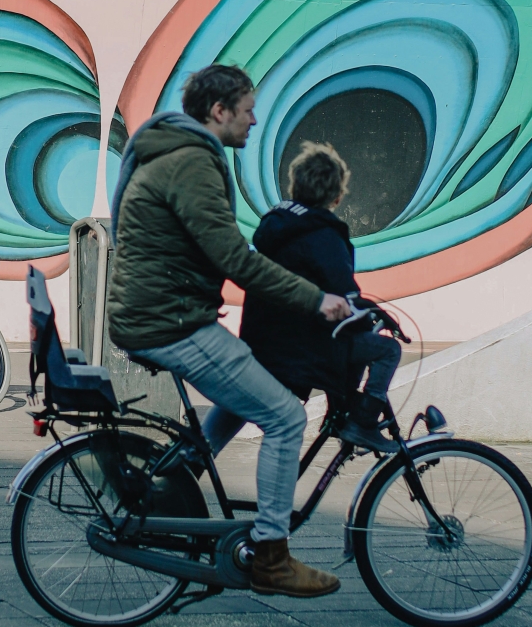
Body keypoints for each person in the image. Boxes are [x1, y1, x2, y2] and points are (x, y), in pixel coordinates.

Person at [106, 65, 350, 598]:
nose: (254, 119)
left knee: (246, 393)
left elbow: (195, 248)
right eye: (247, 110)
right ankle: (271, 556)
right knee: (285, 417)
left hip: (165, 313)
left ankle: (174, 481)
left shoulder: (177, 152)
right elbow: (234, 257)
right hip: (166, 322)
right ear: (219, 112)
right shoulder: (192, 161)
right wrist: (317, 299)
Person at [207, 142, 402, 452]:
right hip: (303, 348)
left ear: (293, 186)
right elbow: (343, 298)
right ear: (337, 197)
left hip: (264, 342)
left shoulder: (274, 227)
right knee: (386, 350)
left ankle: (190, 460)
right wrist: (365, 320)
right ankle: (359, 422)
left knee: (239, 403)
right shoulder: (325, 235)